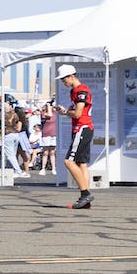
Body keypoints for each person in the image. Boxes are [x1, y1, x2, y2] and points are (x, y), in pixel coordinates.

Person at [58, 65, 95, 209]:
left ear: (71, 76)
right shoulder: (75, 91)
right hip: (82, 128)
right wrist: (66, 111)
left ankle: (85, 193)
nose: (63, 83)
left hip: (82, 127)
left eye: (64, 80)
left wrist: (66, 112)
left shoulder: (81, 90)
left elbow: (78, 113)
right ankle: (85, 199)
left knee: (69, 161)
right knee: (81, 163)